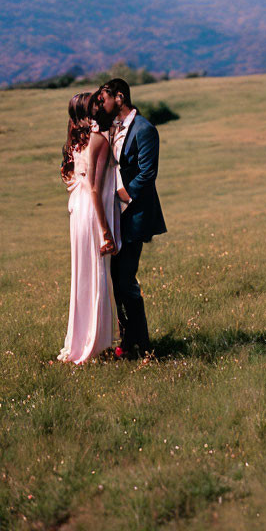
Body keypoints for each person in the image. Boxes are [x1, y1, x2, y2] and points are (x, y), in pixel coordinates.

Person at [93, 78, 166, 357]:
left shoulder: (145, 129)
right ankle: (129, 340)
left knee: (125, 280)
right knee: (115, 280)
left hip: (135, 215)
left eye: (105, 99)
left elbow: (148, 173)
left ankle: (142, 344)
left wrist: (122, 197)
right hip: (115, 217)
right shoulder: (111, 129)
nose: (102, 104)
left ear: (120, 97)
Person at [57, 92, 120, 364]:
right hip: (92, 211)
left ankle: (83, 340)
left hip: (78, 209)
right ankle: (94, 343)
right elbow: (95, 188)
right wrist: (106, 230)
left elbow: (76, 179)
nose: (99, 106)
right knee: (95, 274)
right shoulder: (97, 139)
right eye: (94, 103)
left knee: (83, 274)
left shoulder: (77, 141)